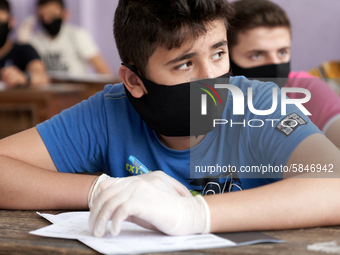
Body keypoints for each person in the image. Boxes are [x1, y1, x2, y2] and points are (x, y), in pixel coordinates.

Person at [1, 0, 340, 239]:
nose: (211, 80)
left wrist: (194, 215)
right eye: (185, 64)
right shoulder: (109, 112)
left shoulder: (257, 104)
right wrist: (102, 189)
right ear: (134, 81)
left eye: (219, 53)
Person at [227, 0, 340, 148]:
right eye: (257, 55)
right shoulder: (211, 98)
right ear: (227, 56)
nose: (275, 63)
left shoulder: (306, 90)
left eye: (282, 52)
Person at [18, 0, 111, 75]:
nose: (47, 20)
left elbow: (103, 70)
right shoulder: (34, 40)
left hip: (76, 92)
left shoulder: (76, 35)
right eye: (42, 16)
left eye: (52, 15)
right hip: (47, 93)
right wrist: (22, 43)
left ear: (65, 14)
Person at [0, 0, 49, 88]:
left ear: (11, 21)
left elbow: (42, 77)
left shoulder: (24, 50)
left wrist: (25, 77)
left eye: (0, 22)